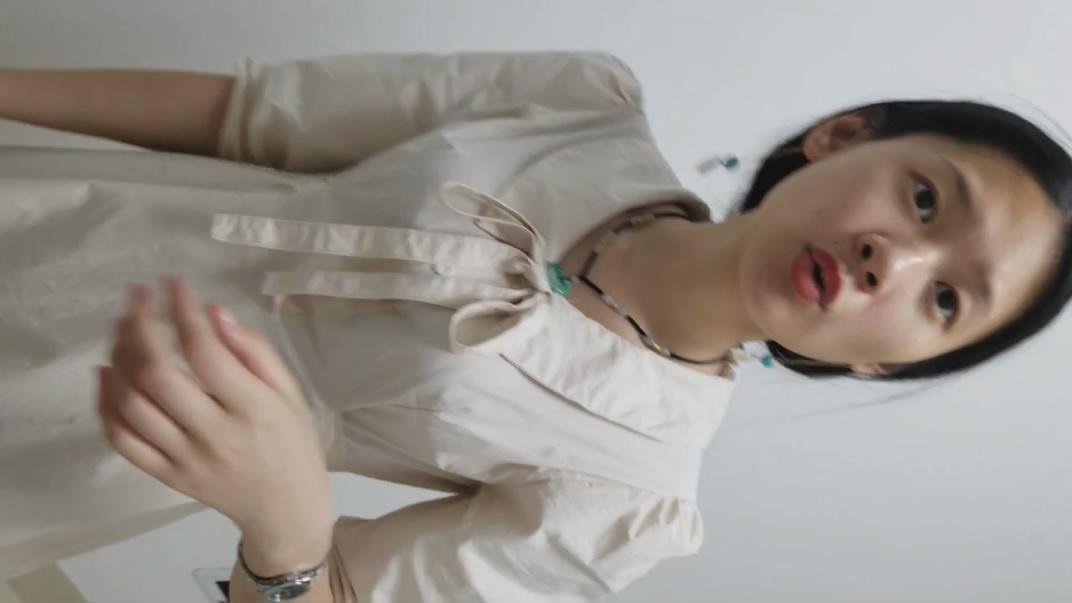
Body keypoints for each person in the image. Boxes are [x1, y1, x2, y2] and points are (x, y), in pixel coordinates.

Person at [0, 51, 1068, 602]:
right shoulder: (583, 104)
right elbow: (240, 115)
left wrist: (285, 519)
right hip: (47, 207)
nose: (895, 260)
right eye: (925, 199)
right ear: (842, 136)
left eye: (945, 299)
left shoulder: (634, 492)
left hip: (55, 440)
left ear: (885, 364)